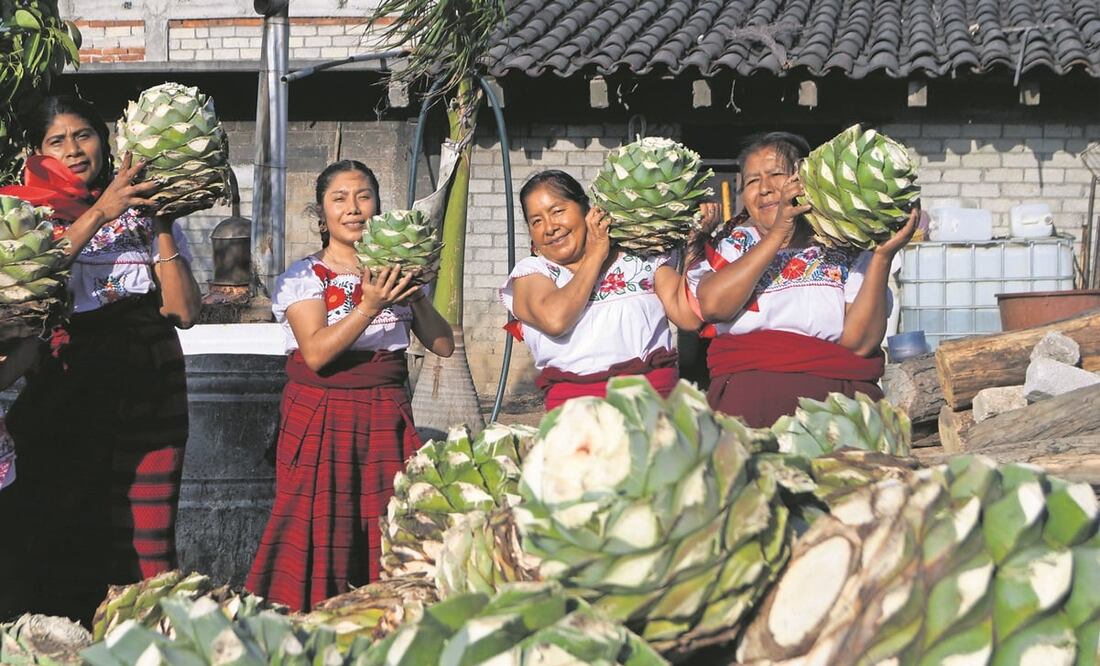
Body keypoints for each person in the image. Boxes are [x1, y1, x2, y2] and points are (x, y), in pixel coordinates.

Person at [0, 95, 201, 623]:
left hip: (149, 379)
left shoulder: (142, 213)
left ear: (105, 140)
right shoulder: (25, 215)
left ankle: (143, 634)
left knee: (144, 524)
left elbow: (182, 311)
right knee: (66, 514)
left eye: (83, 135)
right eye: (57, 141)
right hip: (70, 379)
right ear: (36, 151)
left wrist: (159, 223)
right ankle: (63, 635)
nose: (73, 150)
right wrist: (99, 213)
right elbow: (28, 285)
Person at [246, 160, 454, 611]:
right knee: (318, 526)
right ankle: (307, 625)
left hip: (385, 412)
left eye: (364, 197)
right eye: (339, 199)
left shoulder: (397, 275)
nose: (353, 208)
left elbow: (443, 345)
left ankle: (388, 622)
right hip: (321, 413)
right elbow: (317, 353)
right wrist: (369, 303)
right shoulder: (304, 278)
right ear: (322, 216)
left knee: (390, 519)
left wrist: (413, 293)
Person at [687, 131, 917, 427]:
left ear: (804, 182)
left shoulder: (844, 248)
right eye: (752, 181)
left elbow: (860, 344)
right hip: (747, 418)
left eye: (776, 175)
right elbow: (714, 306)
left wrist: (882, 257)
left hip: (835, 419)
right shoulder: (731, 244)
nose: (766, 189)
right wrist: (778, 234)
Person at [500, 170, 708, 410]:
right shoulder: (531, 273)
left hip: (651, 408)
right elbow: (555, 319)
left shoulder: (640, 258)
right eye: (536, 221)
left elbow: (689, 317)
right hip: (578, 418)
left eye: (557, 211)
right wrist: (596, 254)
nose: (549, 227)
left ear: (586, 210)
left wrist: (695, 244)